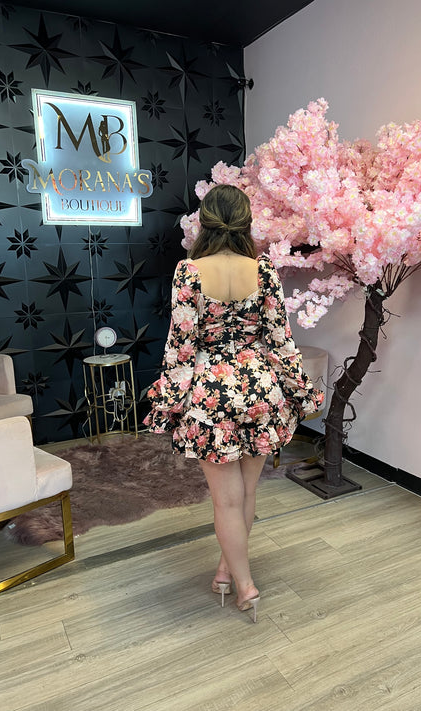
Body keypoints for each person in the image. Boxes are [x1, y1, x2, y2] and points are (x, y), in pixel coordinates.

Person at [144, 184, 324, 622]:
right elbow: (280, 342)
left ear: (204, 221)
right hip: (260, 391)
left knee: (225, 500)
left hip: (211, 397)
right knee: (246, 492)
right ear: (246, 222)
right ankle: (226, 570)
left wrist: (169, 401)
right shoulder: (264, 271)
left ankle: (245, 585)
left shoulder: (189, 272)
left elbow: (182, 347)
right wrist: (301, 390)